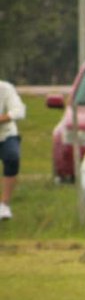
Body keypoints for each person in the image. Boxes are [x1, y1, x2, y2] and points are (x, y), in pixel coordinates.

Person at [0, 78, 24, 220]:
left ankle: (4, 205)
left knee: (12, 157)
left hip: (6, 134)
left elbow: (18, 111)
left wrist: (2, 119)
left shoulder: (5, 88)